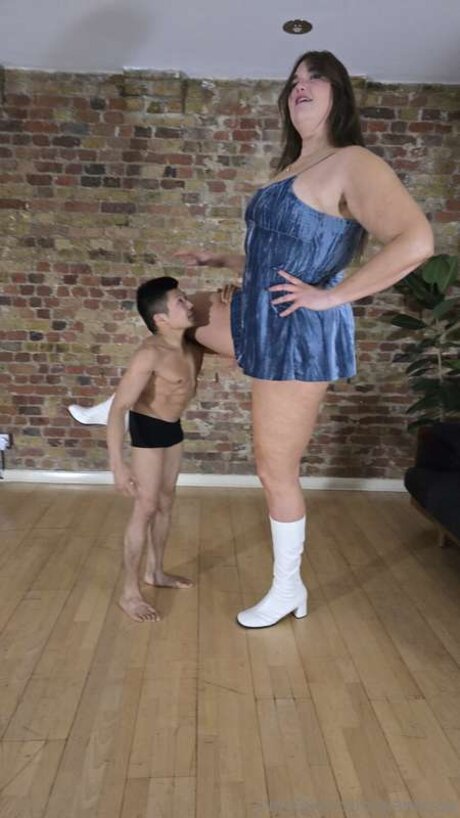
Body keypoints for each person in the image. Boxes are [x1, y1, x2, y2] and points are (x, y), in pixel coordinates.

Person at [69, 50, 434, 629]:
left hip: (296, 334)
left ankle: (288, 589)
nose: (301, 86)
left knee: (273, 470)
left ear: (339, 93)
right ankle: (116, 405)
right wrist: (226, 259)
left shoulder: (353, 161)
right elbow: (285, 251)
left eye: (316, 77)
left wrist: (329, 297)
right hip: (259, 312)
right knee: (183, 316)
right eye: (294, 80)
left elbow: (416, 241)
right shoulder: (294, 166)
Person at [108, 275, 201, 622]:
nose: (189, 304)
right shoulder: (150, 354)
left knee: (165, 502)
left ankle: (156, 572)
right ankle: (129, 593)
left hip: (172, 427)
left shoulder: (192, 345)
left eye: (185, 298)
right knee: (145, 507)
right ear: (161, 318)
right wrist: (118, 465)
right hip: (147, 427)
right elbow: (118, 407)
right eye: (180, 301)